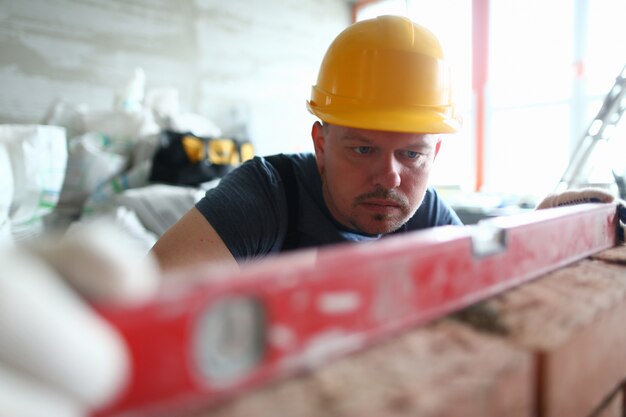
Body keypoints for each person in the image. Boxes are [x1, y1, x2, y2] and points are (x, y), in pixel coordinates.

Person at [152, 15, 464, 271]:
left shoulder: (425, 213)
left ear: (433, 154)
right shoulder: (266, 196)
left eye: (411, 154)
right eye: (363, 149)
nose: (389, 177)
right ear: (321, 145)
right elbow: (148, 302)